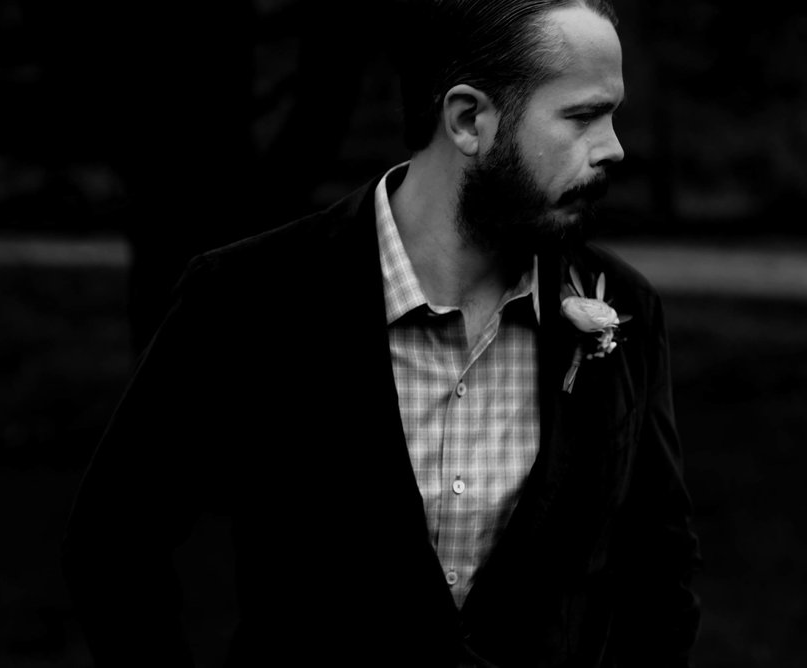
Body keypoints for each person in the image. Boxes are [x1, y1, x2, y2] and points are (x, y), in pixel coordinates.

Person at [61, 1, 702, 666]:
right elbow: (113, 542)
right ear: (468, 120)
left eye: (613, 114)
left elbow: (661, 568)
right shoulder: (249, 297)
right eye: (581, 116)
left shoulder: (623, 309)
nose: (615, 148)